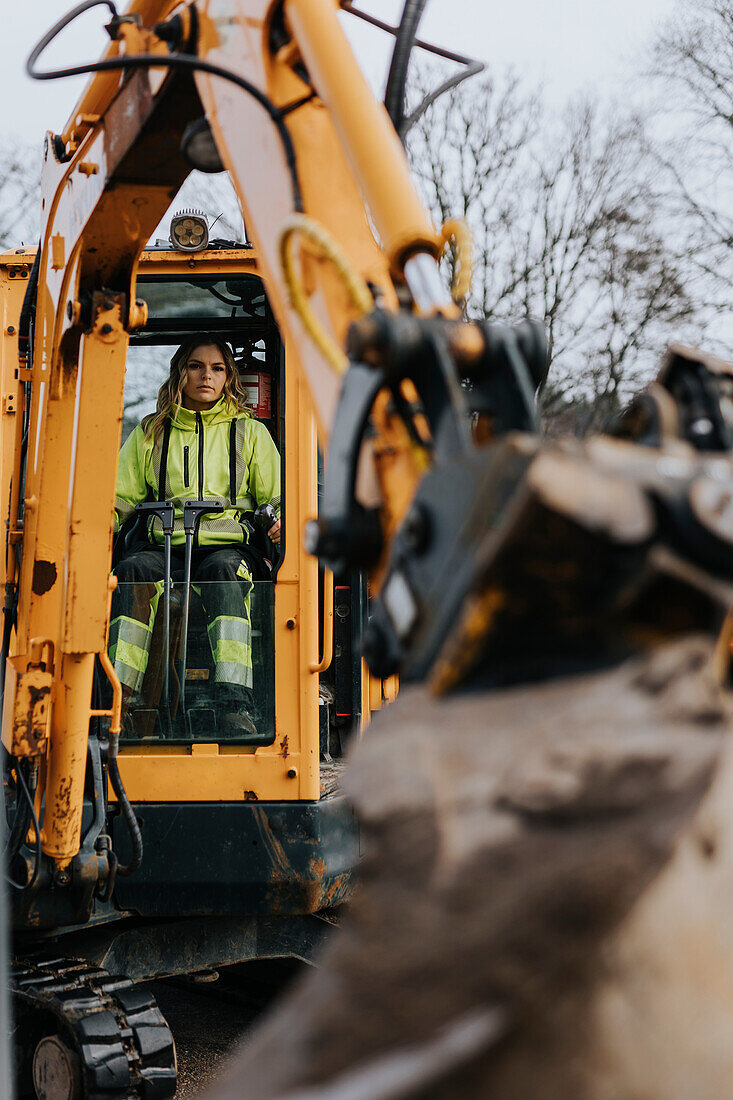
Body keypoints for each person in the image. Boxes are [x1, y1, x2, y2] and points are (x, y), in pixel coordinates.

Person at [110, 334, 281, 738]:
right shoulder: (150, 433)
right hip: (163, 546)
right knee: (133, 570)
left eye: (217, 368)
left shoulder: (249, 433)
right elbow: (118, 496)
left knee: (224, 573)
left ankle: (233, 705)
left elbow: (276, 495)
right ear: (180, 374)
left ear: (228, 377)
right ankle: (124, 704)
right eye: (196, 366)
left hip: (227, 548)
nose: (207, 375)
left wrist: (280, 518)